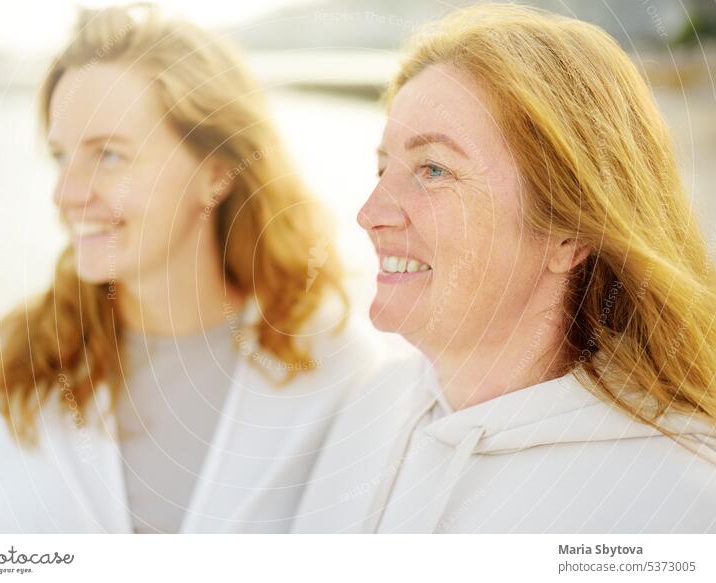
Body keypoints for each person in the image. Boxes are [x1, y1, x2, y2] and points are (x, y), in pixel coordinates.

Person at [293, 4, 716, 533]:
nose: (369, 214)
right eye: (383, 169)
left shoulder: (675, 504)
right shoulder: (368, 409)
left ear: (569, 232)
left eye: (433, 169)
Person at [0, 4, 377, 534]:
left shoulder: (340, 370)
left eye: (109, 154)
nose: (64, 193)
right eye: (62, 156)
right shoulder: (18, 362)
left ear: (217, 173)